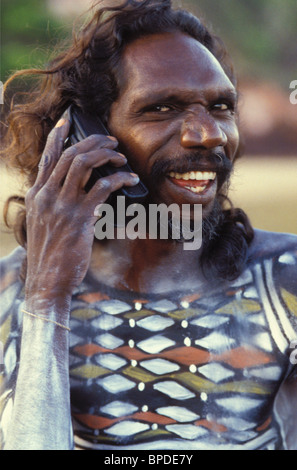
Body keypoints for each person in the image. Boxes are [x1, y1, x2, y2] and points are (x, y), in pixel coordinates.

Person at [0, 0, 296, 451]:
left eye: (221, 106)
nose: (208, 134)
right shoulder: (12, 293)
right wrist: (47, 298)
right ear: (85, 134)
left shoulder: (284, 281)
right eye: (161, 108)